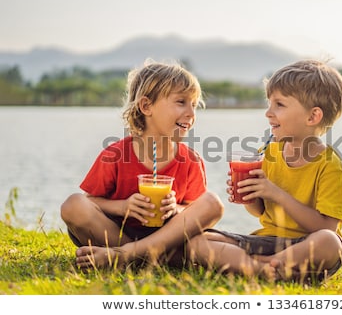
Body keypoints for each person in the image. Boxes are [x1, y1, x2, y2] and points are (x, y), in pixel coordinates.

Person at [187, 60, 342, 284]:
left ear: (312, 117)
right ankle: (270, 269)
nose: (268, 113)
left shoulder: (328, 164)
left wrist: (276, 193)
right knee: (197, 241)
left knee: (330, 242)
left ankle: (259, 265)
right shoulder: (269, 152)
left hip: (307, 245)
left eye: (279, 105)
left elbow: (326, 227)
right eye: (269, 103)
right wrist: (250, 194)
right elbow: (259, 212)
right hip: (268, 240)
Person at [60, 60, 224, 270]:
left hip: (167, 239)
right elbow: (90, 201)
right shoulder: (115, 155)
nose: (191, 113)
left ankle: (128, 257)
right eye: (181, 102)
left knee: (212, 203)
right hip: (116, 234)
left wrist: (176, 209)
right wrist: (123, 206)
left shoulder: (191, 161)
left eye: (194, 104)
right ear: (146, 106)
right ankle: (144, 257)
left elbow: (194, 210)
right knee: (73, 205)